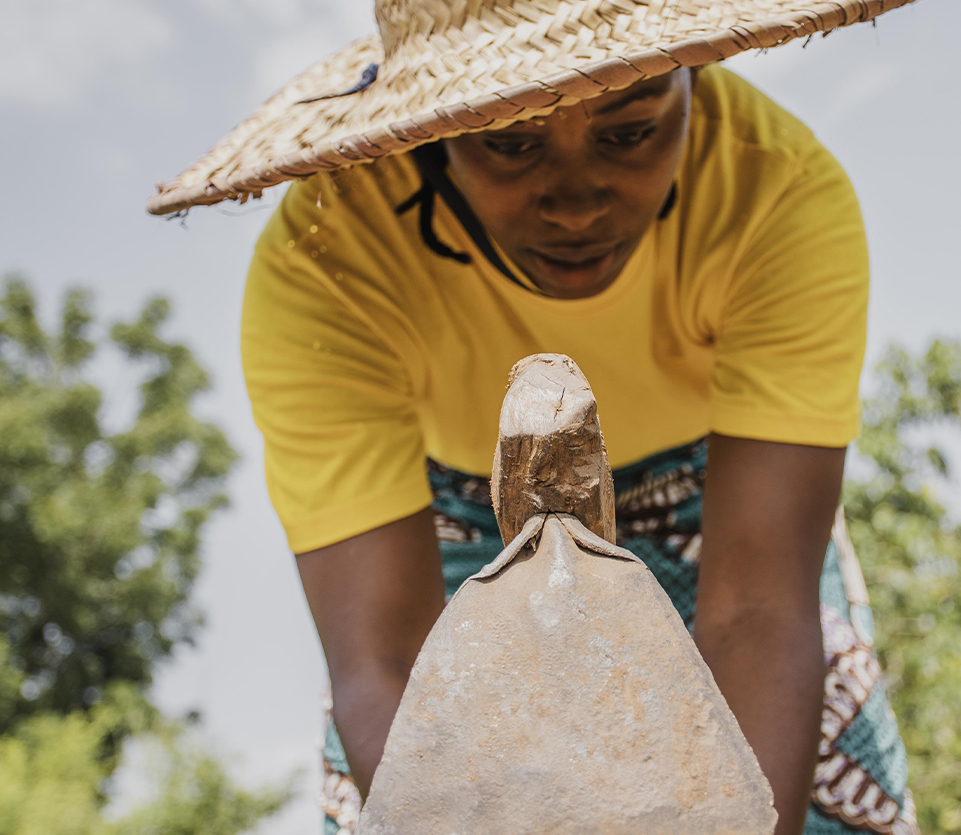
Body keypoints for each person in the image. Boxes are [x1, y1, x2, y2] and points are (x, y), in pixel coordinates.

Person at [148, 2, 921, 834]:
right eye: (509, 143)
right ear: (430, 133)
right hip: (452, 527)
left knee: (821, 802)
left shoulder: (779, 195)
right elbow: (386, 662)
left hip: (725, 501)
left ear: (690, 79)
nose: (577, 201)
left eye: (628, 133)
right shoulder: (326, 265)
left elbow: (759, 608)